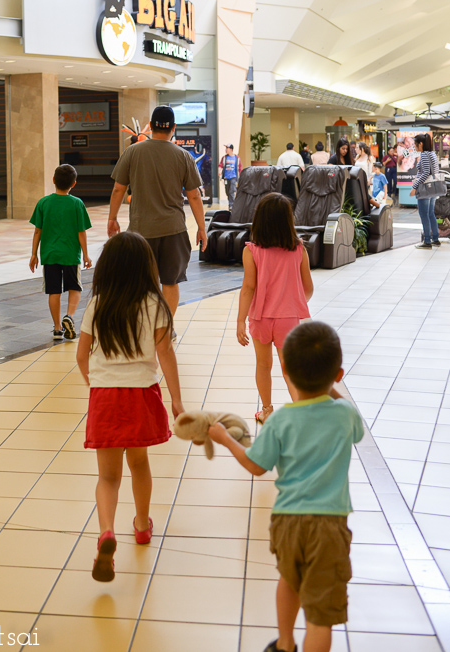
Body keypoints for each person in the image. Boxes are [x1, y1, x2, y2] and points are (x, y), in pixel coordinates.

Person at [209, 320, 364, 652]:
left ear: (287, 373)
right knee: (321, 615)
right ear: (337, 374)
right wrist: (331, 384)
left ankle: (284, 643)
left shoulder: (280, 420)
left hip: (288, 521)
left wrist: (225, 439)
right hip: (329, 525)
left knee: (289, 579)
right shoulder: (346, 416)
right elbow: (353, 423)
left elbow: (255, 465)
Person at [76, 232, 184, 582]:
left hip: (105, 396)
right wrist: (177, 400)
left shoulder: (99, 303)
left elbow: (81, 355)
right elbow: (165, 353)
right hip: (140, 393)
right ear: (145, 267)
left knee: (108, 477)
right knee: (139, 465)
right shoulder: (155, 304)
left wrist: (96, 385)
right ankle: (140, 525)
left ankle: (106, 531)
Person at [108, 105, 207, 318]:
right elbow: (194, 196)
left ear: (151, 126)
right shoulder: (183, 156)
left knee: (141, 283)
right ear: (173, 128)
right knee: (170, 282)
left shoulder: (132, 152)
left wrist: (112, 218)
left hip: (140, 231)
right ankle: (165, 327)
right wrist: (202, 227)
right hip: (173, 230)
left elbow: (118, 189)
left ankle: (143, 327)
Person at [237, 192, 313, 424]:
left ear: (259, 220)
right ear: (288, 221)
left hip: (260, 318)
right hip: (288, 319)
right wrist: (291, 302)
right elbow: (307, 288)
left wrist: (240, 320)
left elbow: (248, 288)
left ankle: (267, 410)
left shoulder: (251, 251)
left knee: (263, 364)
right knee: (288, 367)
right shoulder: (299, 250)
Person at [29, 164, 92, 341]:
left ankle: (57, 328)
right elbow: (81, 232)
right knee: (75, 287)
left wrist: (34, 254)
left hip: (49, 255)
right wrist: (86, 254)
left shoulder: (43, 203)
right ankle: (69, 316)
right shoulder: (77, 204)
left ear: (54, 180)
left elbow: (37, 231)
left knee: (54, 291)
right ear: (74, 184)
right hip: (71, 254)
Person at [410, 133, 441, 249]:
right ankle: (435, 239)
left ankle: (427, 241)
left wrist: (414, 187)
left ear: (421, 144)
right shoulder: (432, 154)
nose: (414, 146)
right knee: (430, 213)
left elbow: (425, 173)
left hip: (425, 189)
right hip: (432, 189)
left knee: (424, 214)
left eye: (415, 144)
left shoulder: (424, 154)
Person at [218, 143, 242, 209]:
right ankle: (231, 203)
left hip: (233, 177)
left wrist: (240, 177)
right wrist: (219, 171)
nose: (226, 150)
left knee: (232, 191)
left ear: (231, 149)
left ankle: (232, 205)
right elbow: (220, 165)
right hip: (226, 177)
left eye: (227, 148)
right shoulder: (224, 158)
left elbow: (240, 168)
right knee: (227, 191)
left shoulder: (237, 158)